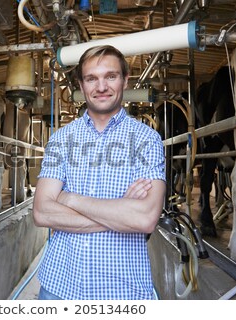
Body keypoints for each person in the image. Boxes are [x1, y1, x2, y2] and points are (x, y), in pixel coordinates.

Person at [33, 45, 166, 300]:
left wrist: (69, 198)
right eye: (92, 78)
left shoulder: (147, 140)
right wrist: (122, 213)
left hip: (122, 291)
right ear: (81, 86)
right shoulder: (62, 139)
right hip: (59, 286)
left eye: (111, 76)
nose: (101, 86)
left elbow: (146, 218)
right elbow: (41, 211)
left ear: (126, 80)